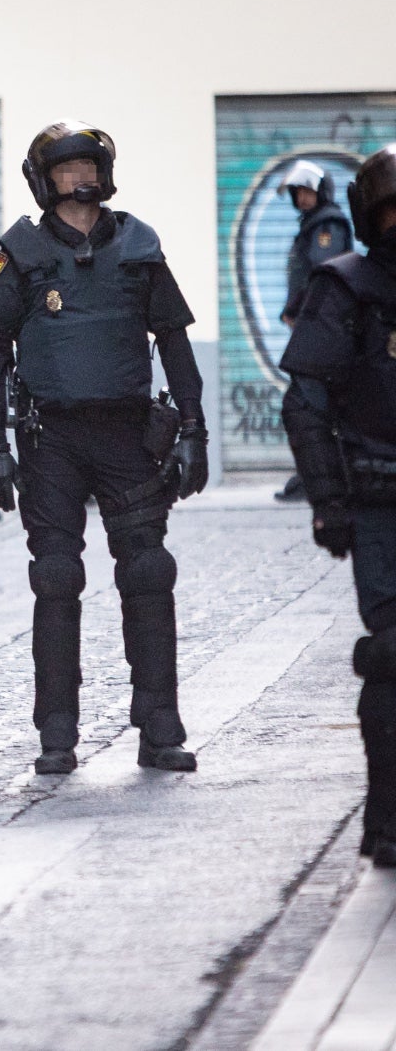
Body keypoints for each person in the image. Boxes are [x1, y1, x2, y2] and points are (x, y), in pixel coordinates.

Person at [0, 120, 207, 776]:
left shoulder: (139, 246)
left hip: (128, 435)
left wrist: (195, 429)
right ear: (44, 182)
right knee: (54, 579)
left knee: (149, 573)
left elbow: (175, 341)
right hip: (52, 441)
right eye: (66, 169)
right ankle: (57, 732)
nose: (79, 178)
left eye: (87, 166)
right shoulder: (19, 253)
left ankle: (160, 728)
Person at [279, 144, 396, 867]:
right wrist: (327, 499)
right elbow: (306, 403)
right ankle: (386, 821)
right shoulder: (345, 287)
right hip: (381, 499)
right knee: (390, 658)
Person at [276, 160, 353, 504]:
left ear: (320, 191)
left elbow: (324, 274)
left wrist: (298, 311)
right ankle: (313, 472)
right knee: (308, 403)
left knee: (311, 403)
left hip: (322, 328)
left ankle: (321, 475)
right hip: (311, 327)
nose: (301, 198)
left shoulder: (329, 225)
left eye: (306, 191)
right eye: (297, 193)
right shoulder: (314, 225)